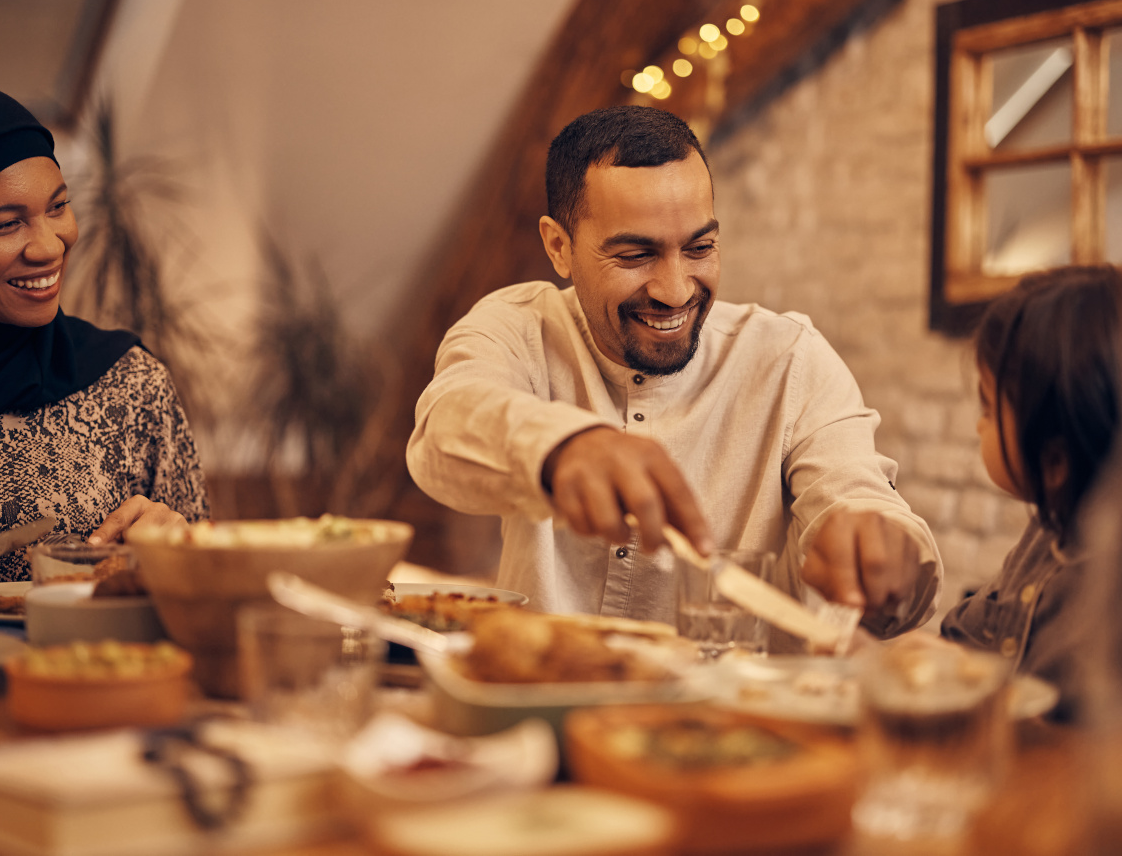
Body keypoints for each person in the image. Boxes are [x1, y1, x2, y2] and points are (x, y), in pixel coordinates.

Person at [407, 105, 939, 633]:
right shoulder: (517, 330)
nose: (676, 290)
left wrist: (886, 558)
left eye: (699, 247)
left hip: (737, 714)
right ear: (559, 247)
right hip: (548, 699)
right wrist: (563, 446)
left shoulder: (790, 360)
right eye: (636, 255)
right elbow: (442, 430)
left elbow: (856, 493)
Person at [0, 73, 208, 592]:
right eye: (5, 223)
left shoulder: (128, 384)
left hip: (102, 671)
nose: (50, 246)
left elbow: (215, 600)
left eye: (57, 206)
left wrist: (182, 551)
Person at [941, 265, 1121, 720]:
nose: (978, 423)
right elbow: (972, 630)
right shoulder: (1044, 533)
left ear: (1055, 461)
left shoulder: (1106, 582)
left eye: (987, 406)